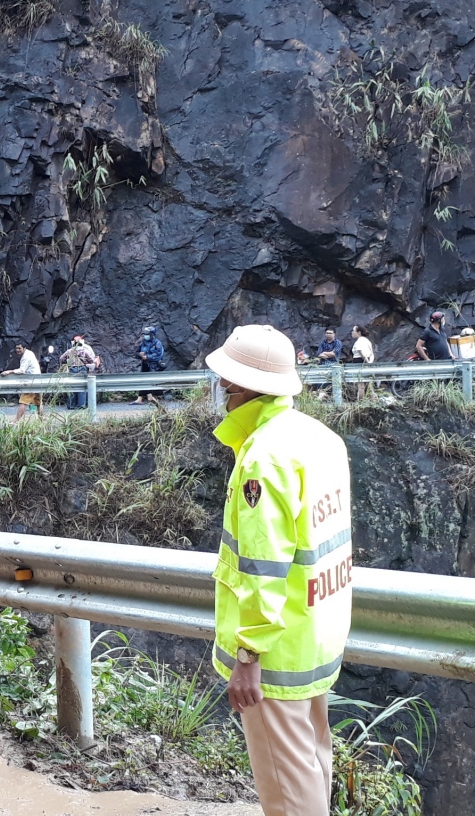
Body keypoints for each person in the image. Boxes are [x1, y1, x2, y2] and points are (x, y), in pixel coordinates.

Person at [204, 325, 352, 816]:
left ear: (244, 389)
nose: (222, 394)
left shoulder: (263, 459)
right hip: (316, 632)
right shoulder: (318, 438)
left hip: (276, 651)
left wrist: (249, 654)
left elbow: (264, 566)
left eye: (226, 385)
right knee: (310, 763)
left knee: (286, 787)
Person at [0, 342, 41, 423]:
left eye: (19, 348)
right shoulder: (29, 353)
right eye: (16, 348)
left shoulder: (26, 357)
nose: (17, 350)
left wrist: (9, 372)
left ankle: (15, 421)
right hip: (37, 380)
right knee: (39, 402)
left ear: (24, 348)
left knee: (23, 401)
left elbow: (22, 370)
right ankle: (41, 420)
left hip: (31, 381)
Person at [61, 335, 99, 410]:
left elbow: (61, 359)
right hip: (82, 370)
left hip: (72, 369)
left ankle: (71, 405)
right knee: (82, 388)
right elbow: (91, 360)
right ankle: (81, 405)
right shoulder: (85, 351)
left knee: (72, 387)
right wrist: (88, 364)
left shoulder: (69, 351)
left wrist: (67, 362)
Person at [133, 327, 165, 405]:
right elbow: (136, 353)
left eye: (147, 334)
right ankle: (140, 399)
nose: (145, 336)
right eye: (144, 334)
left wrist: (148, 357)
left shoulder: (157, 343)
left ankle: (153, 398)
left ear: (151, 335)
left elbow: (158, 355)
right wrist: (139, 354)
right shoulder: (143, 343)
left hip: (154, 366)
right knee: (143, 381)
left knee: (153, 382)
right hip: (145, 365)